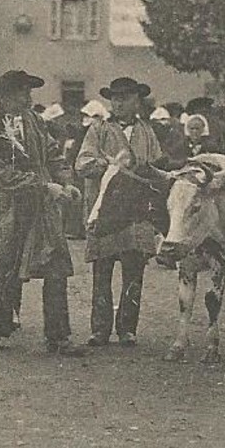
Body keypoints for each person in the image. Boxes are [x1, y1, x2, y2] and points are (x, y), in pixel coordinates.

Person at [0, 69, 84, 355]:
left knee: (56, 266)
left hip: (42, 208)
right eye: (21, 92)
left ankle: (58, 336)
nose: (27, 97)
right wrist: (44, 186)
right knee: (3, 267)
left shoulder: (35, 122)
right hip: (9, 207)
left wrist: (66, 181)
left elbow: (54, 154)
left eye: (28, 92)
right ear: (3, 98)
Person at [75, 77, 164, 347]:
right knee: (102, 271)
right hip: (107, 213)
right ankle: (100, 329)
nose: (119, 103)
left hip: (136, 213)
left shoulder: (147, 132)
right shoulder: (98, 129)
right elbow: (82, 164)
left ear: (137, 101)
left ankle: (127, 328)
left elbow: (156, 166)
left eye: (125, 98)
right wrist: (109, 165)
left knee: (133, 271)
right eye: (115, 98)